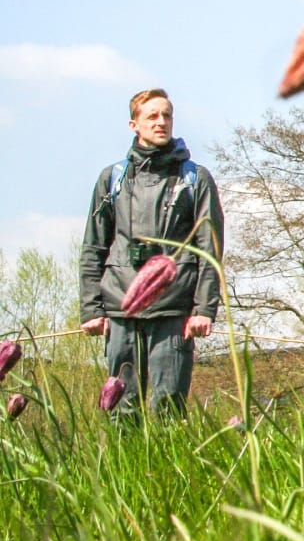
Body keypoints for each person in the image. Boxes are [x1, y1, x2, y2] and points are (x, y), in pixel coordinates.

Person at [79, 88, 226, 414]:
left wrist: (204, 309)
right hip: (120, 310)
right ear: (134, 124)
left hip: (174, 312)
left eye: (167, 115)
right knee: (121, 409)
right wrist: (91, 309)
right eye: (152, 116)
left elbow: (210, 249)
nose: (161, 122)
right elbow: (93, 247)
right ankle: (121, 466)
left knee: (168, 409)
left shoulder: (195, 179)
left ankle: (167, 466)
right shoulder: (112, 179)